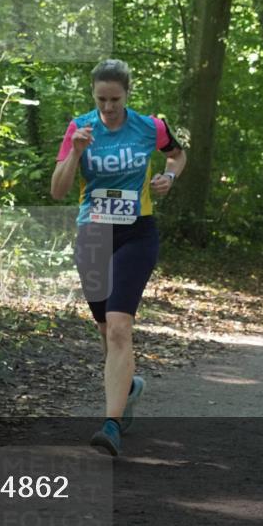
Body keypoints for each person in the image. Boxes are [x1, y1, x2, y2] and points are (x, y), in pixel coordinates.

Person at [51, 59, 185, 457]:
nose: (108, 108)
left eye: (115, 99)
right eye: (101, 100)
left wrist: (169, 177)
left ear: (128, 94)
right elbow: (58, 190)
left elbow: (177, 155)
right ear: (92, 95)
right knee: (105, 329)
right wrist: (75, 155)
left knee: (120, 326)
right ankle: (128, 387)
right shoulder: (80, 128)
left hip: (136, 233)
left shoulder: (150, 126)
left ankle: (111, 425)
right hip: (92, 234)